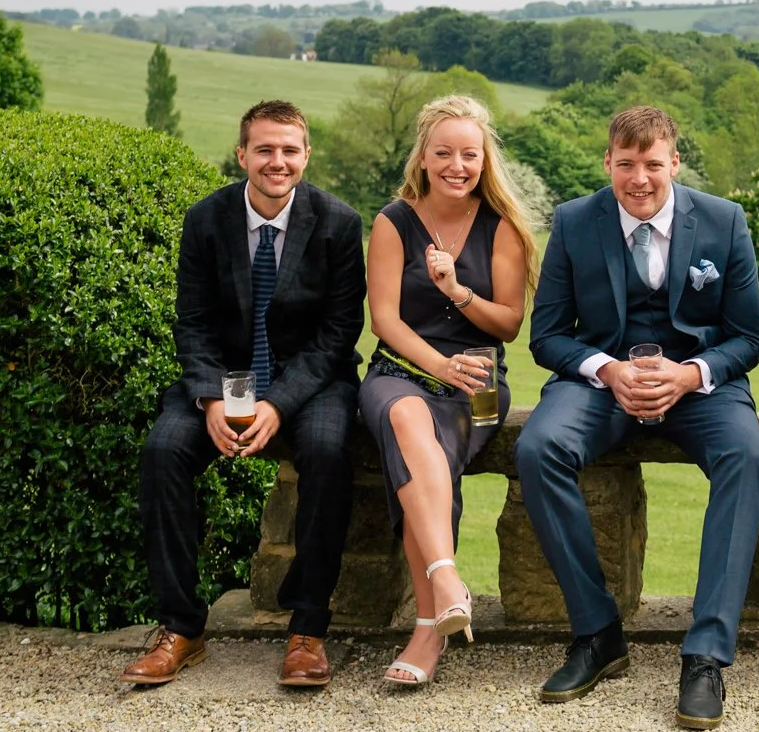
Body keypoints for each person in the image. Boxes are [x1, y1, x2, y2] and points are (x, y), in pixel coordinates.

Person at [516, 106, 759, 730]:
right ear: (608, 162)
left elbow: (749, 339)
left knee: (745, 454)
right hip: (603, 385)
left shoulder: (723, 220)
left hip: (699, 387)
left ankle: (706, 655)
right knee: (537, 447)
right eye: (625, 164)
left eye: (653, 164)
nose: (639, 179)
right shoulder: (575, 222)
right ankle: (598, 633)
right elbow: (546, 336)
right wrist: (607, 370)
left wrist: (688, 375)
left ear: (674, 162)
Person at [122, 100, 365, 689]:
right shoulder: (205, 219)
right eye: (264, 149)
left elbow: (339, 333)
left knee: (332, 453)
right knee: (163, 453)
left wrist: (278, 402)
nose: (276, 161)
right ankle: (181, 627)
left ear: (306, 155)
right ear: (242, 155)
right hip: (222, 381)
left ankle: (307, 630)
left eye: (288, 150)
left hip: (310, 380)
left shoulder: (338, 222)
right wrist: (208, 398)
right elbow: (193, 322)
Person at [360, 96, 539, 687]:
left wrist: (459, 291)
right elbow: (384, 320)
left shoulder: (504, 228)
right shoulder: (394, 221)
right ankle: (443, 586)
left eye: (469, 153)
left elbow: (509, 323)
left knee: (422, 459)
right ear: (424, 157)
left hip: (479, 380)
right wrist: (439, 365)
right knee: (409, 423)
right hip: (399, 371)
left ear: (484, 160)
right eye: (444, 153)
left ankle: (431, 617)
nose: (456, 165)